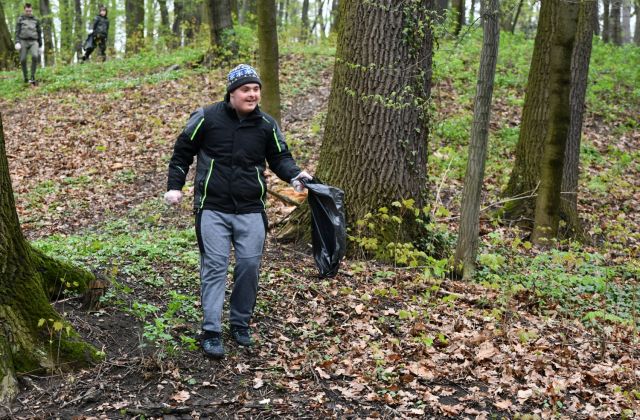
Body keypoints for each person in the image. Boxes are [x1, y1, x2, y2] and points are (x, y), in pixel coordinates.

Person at [164, 64, 312, 359]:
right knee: (215, 267)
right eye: (246, 89)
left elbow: (280, 157)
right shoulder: (206, 118)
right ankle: (211, 331)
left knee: (248, 266)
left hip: (250, 209)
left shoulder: (266, 125)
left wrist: (295, 175)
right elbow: (182, 152)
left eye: (256, 89)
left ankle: (240, 323)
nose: (252, 94)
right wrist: (175, 186)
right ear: (232, 92)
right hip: (212, 208)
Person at [14, 3, 42, 85]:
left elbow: (39, 32)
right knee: (22, 59)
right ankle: (26, 77)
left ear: (32, 10)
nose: (29, 12)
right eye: (27, 11)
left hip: (34, 41)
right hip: (23, 41)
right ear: (24, 10)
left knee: (35, 56)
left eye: (30, 11)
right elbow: (17, 32)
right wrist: (17, 42)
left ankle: (32, 77)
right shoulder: (20, 19)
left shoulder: (36, 19)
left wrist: (40, 44)